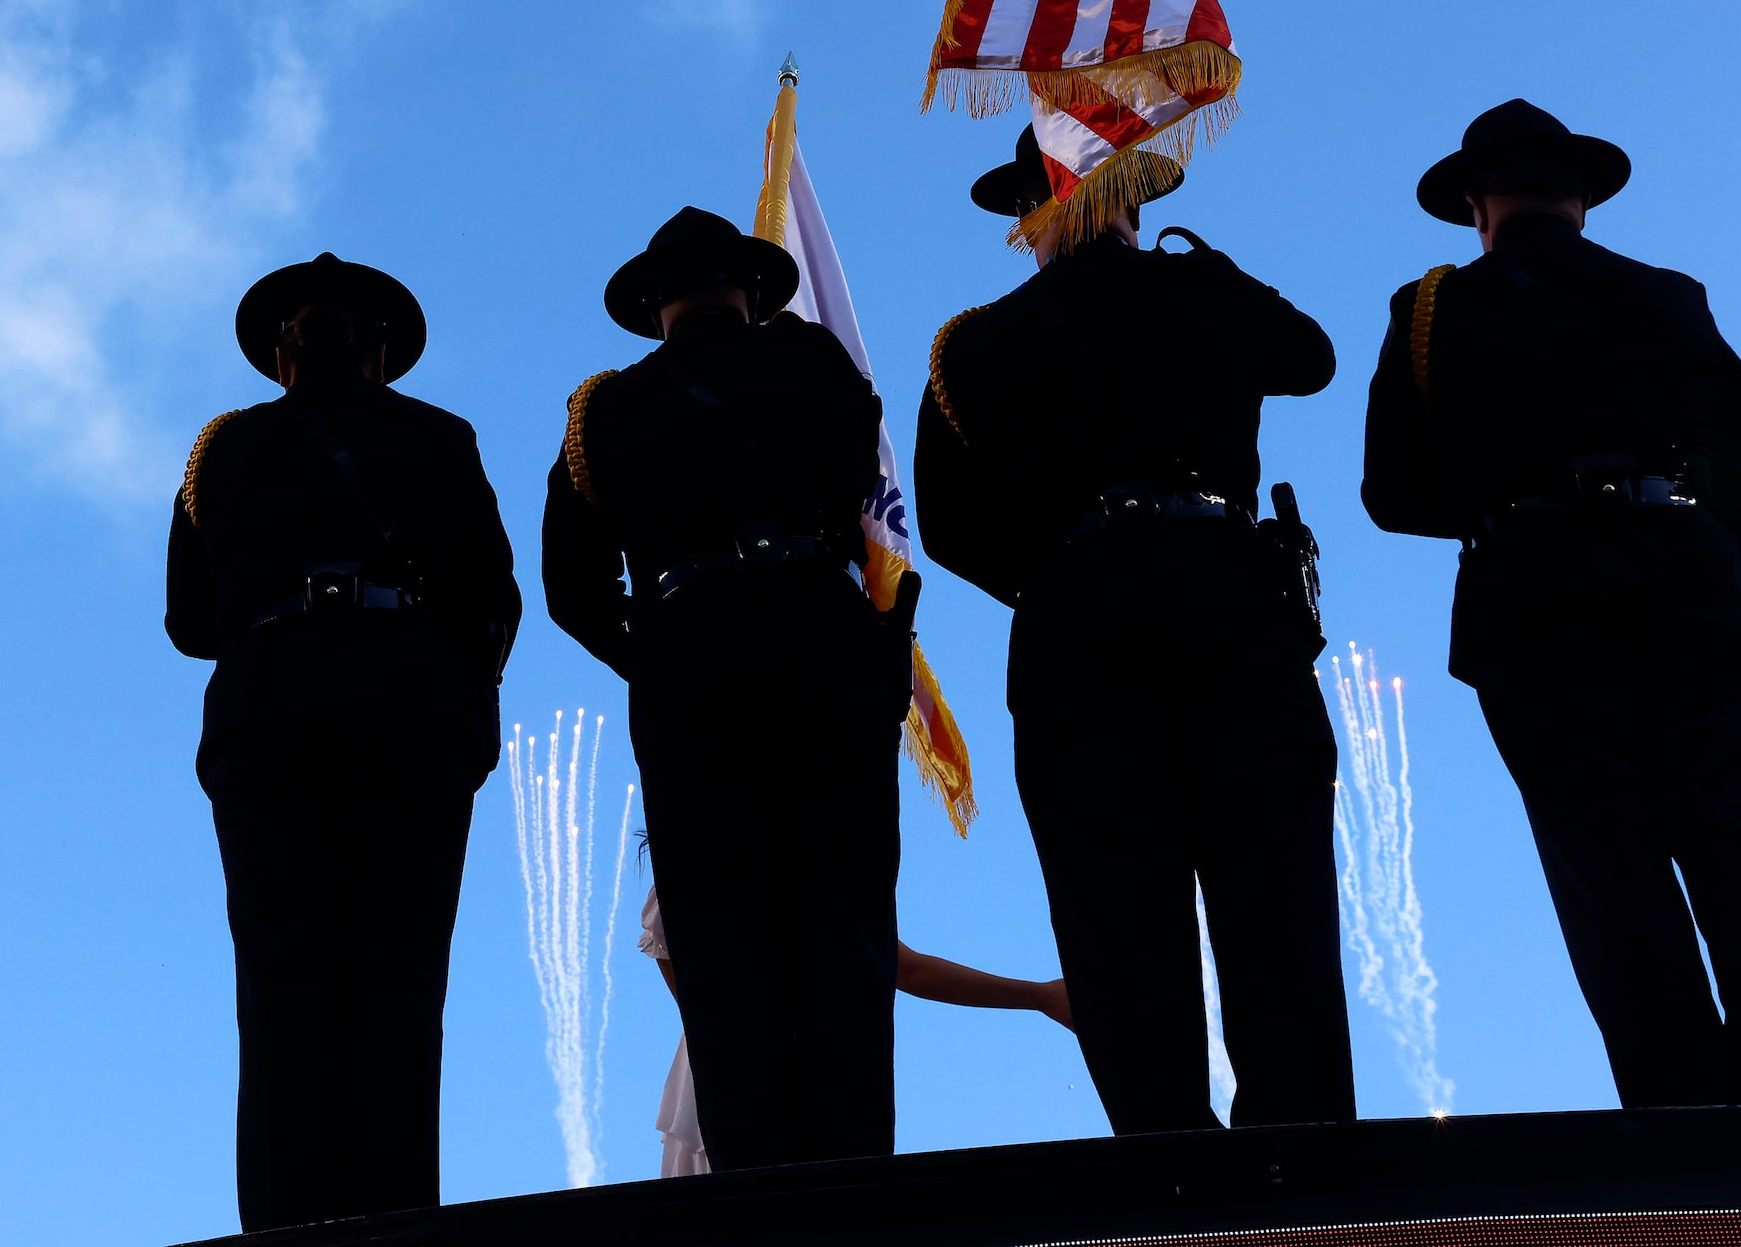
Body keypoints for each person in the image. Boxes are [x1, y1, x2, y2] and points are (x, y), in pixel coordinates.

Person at [1361, 99, 1741, 1106]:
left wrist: (1519, 513)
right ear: (1579, 196)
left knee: (1609, 875)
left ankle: (1683, 1128)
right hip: (1696, 592)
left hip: (1536, 609)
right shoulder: (1670, 296)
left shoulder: (1431, 311)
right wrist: (1699, 540)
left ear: (1473, 203)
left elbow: (1392, 494)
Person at [915, 129, 1352, 1136]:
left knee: (1116, 916)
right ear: (1129, 204)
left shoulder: (974, 342)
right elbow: (1308, 358)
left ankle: (1168, 1175)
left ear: (1032, 221)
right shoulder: (1195, 293)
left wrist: (1062, 576)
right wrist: (1202, 267)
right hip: (1228, 594)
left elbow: (950, 528)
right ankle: (1310, 1168)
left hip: (1076, 625)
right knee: (1273, 894)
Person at [541, 206, 906, 1172]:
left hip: (687, 659)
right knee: (845, 914)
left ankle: (752, 1182)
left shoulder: (606, 410)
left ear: (657, 304)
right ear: (749, 292)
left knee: (717, 930)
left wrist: (658, 651)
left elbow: (570, 592)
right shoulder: (819, 371)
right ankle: (858, 1173)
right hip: (824, 642)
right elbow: (871, 493)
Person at [166, 253, 521, 1230]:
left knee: (280, 985)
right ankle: (397, 1223)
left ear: (282, 355)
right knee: (399, 984)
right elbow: (493, 599)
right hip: (411, 711)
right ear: (379, 354)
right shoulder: (441, 438)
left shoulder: (223, 450)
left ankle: (284, 1228)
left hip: (268, 711)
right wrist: (445, 685)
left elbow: (189, 621)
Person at [635, 881, 1072, 1177]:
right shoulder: (800, 871)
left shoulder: (799, 871)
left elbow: (907, 968)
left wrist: (1040, 997)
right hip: (769, 1070)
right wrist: (1039, 997)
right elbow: (910, 970)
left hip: (745, 1067)